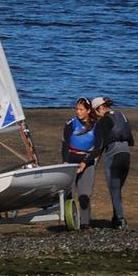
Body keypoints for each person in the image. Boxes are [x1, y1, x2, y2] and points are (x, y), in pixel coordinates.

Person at [78, 97, 133, 229]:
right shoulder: (121, 115)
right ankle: (116, 218)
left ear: (100, 108)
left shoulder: (103, 121)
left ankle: (120, 221)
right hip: (126, 154)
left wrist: (86, 161)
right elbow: (130, 140)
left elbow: (99, 146)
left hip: (114, 156)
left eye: (95, 111)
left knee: (114, 189)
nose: (95, 115)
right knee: (117, 188)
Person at [61, 98, 98, 229]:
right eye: (77, 109)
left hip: (87, 160)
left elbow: (98, 147)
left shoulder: (96, 125)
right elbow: (65, 144)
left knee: (84, 195)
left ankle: (85, 223)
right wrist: (65, 161)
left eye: (81, 109)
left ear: (88, 110)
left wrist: (85, 162)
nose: (78, 112)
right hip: (71, 160)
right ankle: (70, 221)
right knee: (69, 194)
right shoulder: (71, 123)